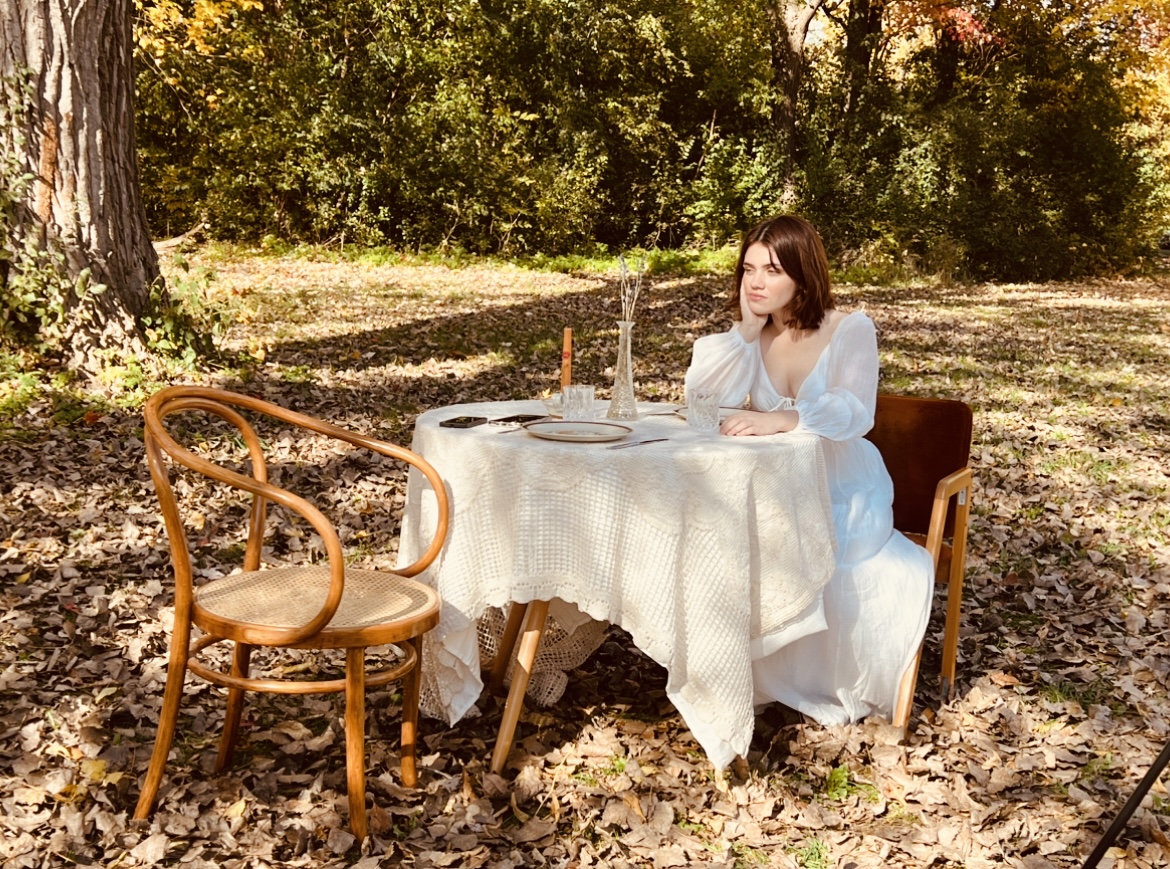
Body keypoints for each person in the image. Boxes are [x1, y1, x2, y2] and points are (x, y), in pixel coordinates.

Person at [684, 214, 935, 726]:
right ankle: (732, 678)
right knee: (719, 544)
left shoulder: (850, 329)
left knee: (813, 550)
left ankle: (816, 683)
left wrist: (785, 418)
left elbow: (855, 412)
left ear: (802, 273)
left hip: (846, 488)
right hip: (776, 488)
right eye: (748, 269)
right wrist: (743, 332)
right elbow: (702, 401)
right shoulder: (751, 337)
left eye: (772, 270)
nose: (755, 282)